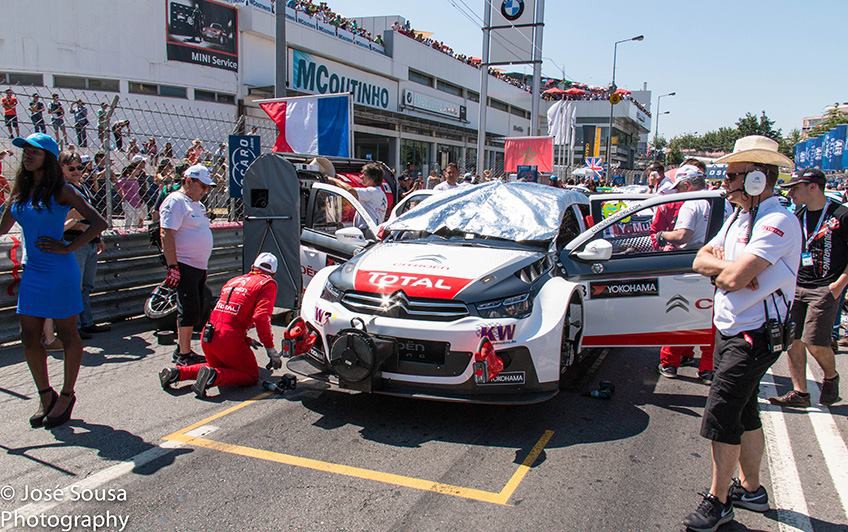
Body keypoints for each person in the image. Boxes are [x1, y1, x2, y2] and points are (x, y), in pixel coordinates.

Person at [684, 135, 800, 531]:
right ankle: (751, 489)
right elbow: (701, 258)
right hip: (733, 329)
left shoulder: (776, 221)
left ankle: (718, 502)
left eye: (732, 176)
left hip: (755, 335)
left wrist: (729, 272)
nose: (724, 182)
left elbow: (731, 276)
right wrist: (730, 273)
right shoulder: (739, 218)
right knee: (747, 412)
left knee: (722, 415)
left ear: (755, 180)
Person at [0, 133, 106, 428]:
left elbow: (99, 222)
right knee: (30, 335)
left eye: (35, 151)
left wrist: (69, 247)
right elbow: (2, 227)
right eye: (26, 151)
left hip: (60, 270)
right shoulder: (20, 192)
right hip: (33, 271)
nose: (28, 155)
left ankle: (67, 395)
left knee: (67, 332)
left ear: (48, 156)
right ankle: (45, 395)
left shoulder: (61, 190)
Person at [767, 167, 842, 407]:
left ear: (813, 187)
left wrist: (839, 285)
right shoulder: (796, 215)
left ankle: (831, 377)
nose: (791, 194)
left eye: (795, 188)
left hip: (825, 287)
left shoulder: (840, 215)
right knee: (792, 340)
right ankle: (800, 392)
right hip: (796, 284)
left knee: (815, 342)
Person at [159, 253, 280, 398]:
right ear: (273, 273)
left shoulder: (233, 280)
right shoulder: (267, 283)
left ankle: (177, 373)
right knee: (251, 375)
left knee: (218, 366)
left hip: (209, 335)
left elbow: (226, 315)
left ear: (252, 267)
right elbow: (261, 317)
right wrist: (270, 350)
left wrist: (245, 339)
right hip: (229, 339)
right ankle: (213, 377)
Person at [655, 165, 716, 383]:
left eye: (679, 188)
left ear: (687, 185)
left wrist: (662, 235)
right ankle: (708, 368)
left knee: (680, 314)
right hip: (717, 266)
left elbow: (682, 236)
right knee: (710, 319)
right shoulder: (723, 202)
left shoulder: (692, 204)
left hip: (690, 264)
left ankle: (670, 362)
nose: (679, 193)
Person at [159, 163, 215, 366]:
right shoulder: (176, 201)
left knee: (198, 306)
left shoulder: (197, 205)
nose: (205, 191)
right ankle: (183, 354)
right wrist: (172, 266)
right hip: (184, 263)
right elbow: (166, 233)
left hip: (199, 265)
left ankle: (183, 348)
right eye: (203, 186)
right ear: (189, 181)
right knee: (188, 307)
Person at [59, 151, 109, 339]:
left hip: (89, 241)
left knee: (86, 286)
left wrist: (98, 236)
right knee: (75, 285)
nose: (76, 171)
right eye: (70, 168)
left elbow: (91, 217)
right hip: (73, 241)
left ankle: (86, 322)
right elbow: (66, 220)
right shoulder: (63, 189)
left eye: (79, 167)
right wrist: (78, 223)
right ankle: (74, 326)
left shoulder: (82, 188)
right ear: (61, 168)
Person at [326, 160, 388, 230]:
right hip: (373, 230)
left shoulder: (372, 192)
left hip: (366, 230)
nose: (361, 177)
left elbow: (351, 191)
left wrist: (333, 179)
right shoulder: (382, 194)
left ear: (372, 178)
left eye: (364, 175)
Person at [116, 156, 147, 229]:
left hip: (137, 199)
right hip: (128, 201)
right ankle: (127, 231)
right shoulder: (126, 179)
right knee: (129, 218)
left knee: (138, 215)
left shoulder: (136, 179)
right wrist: (122, 196)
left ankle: (135, 229)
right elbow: (117, 185)